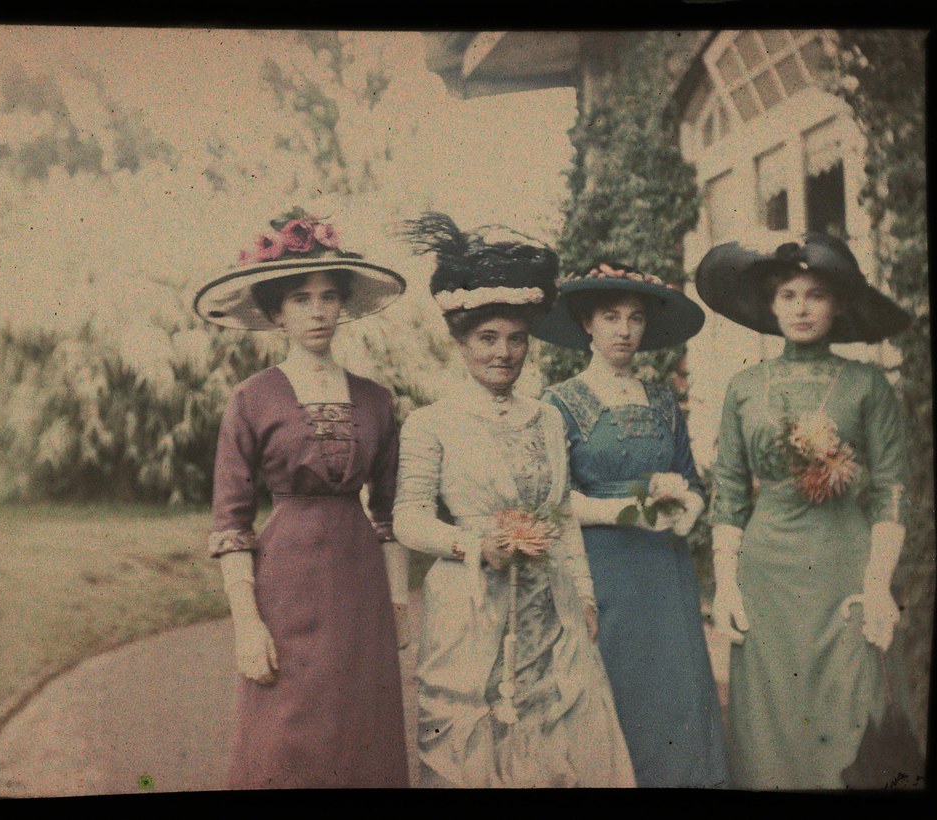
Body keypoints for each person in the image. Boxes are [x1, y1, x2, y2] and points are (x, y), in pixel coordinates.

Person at [393, 213, 635, 788]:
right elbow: (407, 517)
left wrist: (584, 590)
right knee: (470, 745)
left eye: (516, 338)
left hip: (549, 607)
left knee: (559, 741)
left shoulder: (548, 418)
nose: (503, 352)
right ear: (460, 341)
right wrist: (472, 544)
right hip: (469, 608)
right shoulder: (433, 424)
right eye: (487, 338)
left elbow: (560, 514)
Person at [194, 208, 410, 788]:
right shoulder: (252, 399)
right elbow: (231, 520)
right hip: (285, 578)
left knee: (361, 726)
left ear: (343, 305)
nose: (317, 311)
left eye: (329, 296)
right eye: (300, 298)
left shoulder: (376, 400)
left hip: (361, 581)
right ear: (275, 310)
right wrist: (246, 622)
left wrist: (397, 605)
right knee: (286, 727)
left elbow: (388, 513)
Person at [694, 232, 913, 789]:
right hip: (766, 573)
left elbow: (891, 488)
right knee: (770, 724)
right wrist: (726, 586)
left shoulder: (867, 385)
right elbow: (731, 495)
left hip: (845, 568)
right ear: (770, 304)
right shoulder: (744, 387)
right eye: (788, 294)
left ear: (837, 305)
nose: (801, 307)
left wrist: (879, 581)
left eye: (815, 294)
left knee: (849, 713)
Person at [533, 263, 729, 788]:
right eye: (610, 316)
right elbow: (550, 499)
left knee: (677, 695)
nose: (624, 330)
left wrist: (679, 499)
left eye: (636, 318)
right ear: (586, 323)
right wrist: (625, 510)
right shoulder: (558, 403)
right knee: (617, 696)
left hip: (665, 573)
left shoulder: (664, 399)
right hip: (603, 572)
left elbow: (692, 483)